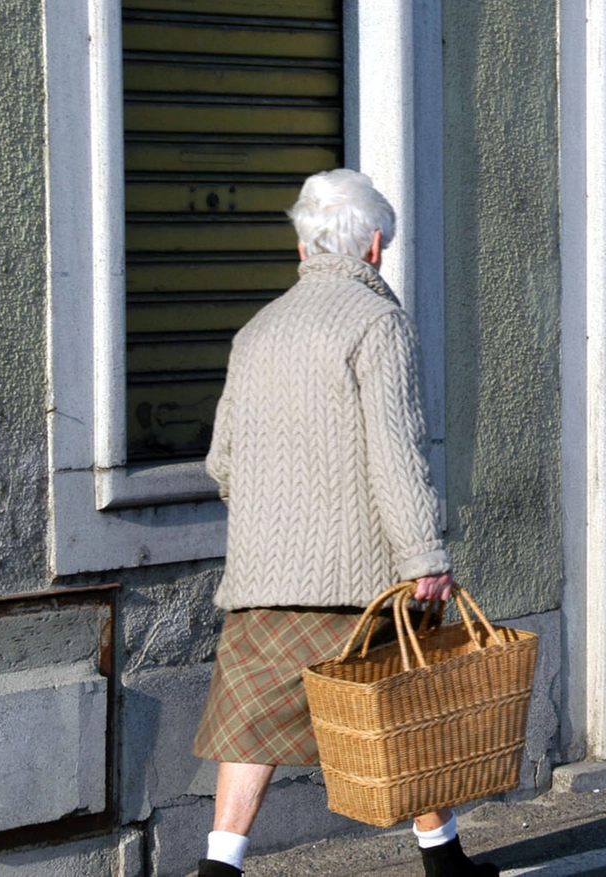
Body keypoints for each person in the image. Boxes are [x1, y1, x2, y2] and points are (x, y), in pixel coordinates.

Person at [192, 169, 498, 877]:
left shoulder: (256, 331)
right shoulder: (377, 323)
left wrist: (273, 525)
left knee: (251, 723)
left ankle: (219, 865)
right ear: (376, 246)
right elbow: (397, 451)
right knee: (408, 705)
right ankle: (443, 862)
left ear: (304, 249)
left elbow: (222, 460)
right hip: (360, 579)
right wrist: (425, 553)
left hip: (265, 576)